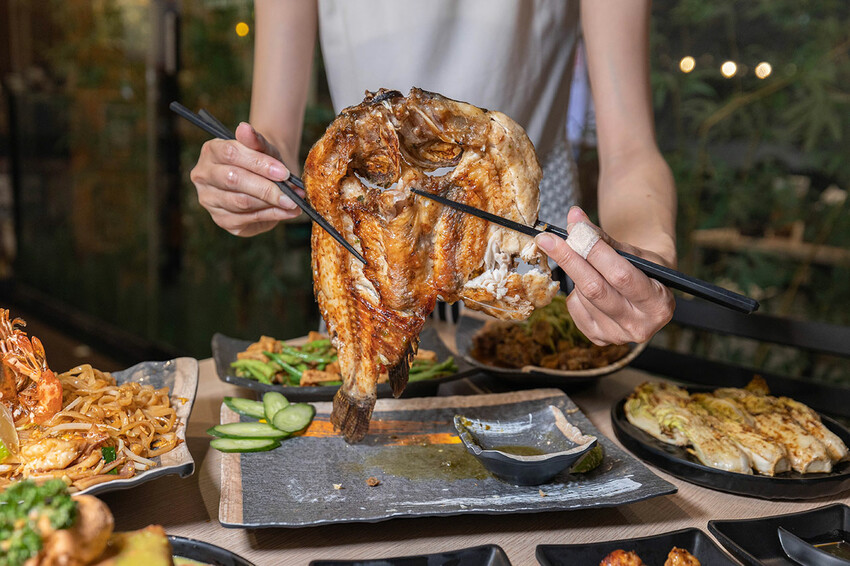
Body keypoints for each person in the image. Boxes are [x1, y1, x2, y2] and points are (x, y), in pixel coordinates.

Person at [189, 0, 677, 346]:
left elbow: (630, 151)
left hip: (526, 253)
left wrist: (647, 254)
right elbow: (272, 135)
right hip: (371, 257)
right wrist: (249, 176)